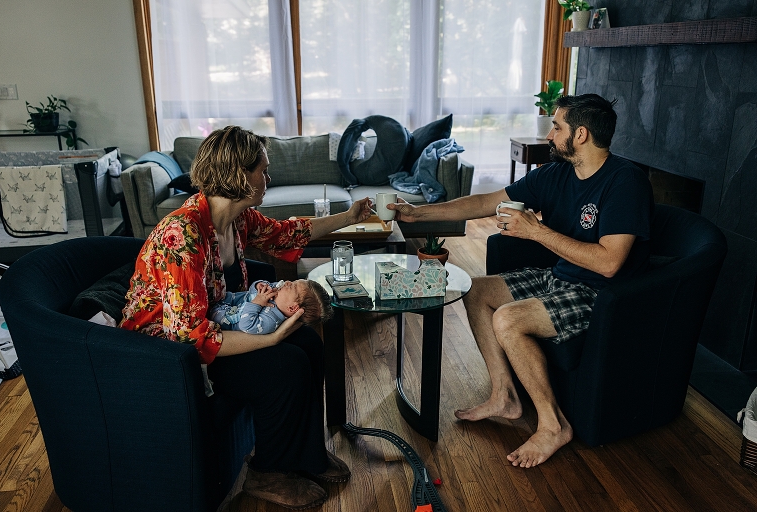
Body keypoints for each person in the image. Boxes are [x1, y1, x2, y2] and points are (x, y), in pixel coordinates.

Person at [388, 94, 654, 468]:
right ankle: (504, 395)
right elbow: (487, 201)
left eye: (556, 127)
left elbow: (610, 263)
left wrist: (537, 232)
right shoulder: (558, 172)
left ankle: (553, 425)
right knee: (476, 290)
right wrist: (419, 214)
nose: (549, 135)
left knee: (508, 318)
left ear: (580, 134)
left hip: (604, 293)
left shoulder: (625, 182)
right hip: (561, 277)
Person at [120, 126, 373, 509]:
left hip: (219, 325)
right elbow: (188, 337)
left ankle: (307, 456)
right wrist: (268, 339)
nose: (268, 178)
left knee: (306, 342)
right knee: (284, 363)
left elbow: (288, 233)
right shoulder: (182, 235)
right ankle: (266, 472)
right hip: (169, 356)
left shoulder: (235, 219)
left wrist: (349, 215)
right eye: (264, 171)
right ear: (240, 175)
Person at [209, 278, 332, 334]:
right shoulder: (278, 293)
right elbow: (253, 290)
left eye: (292, 287)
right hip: (226, 298)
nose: (288, 282)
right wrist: (259, 286)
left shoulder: (270, 321)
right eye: (294, 282)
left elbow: (246, 325)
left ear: (292, 308)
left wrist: (257, 303)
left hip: (221, 317)